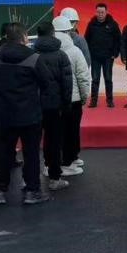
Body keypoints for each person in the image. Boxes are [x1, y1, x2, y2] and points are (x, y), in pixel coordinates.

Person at [0, 22, 49, 206]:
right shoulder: (34, 58)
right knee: (31, 153)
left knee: (4, 151)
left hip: (5, 113)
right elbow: (46, 83)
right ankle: (32, 191)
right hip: (30, 114)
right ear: (24, 37)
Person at [29, 21, 73, 192]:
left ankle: (30, 180)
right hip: (54, 105)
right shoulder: (61, 55)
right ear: (53, 33)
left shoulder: (31, 54)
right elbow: (67, 83)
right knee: (54, 141)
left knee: (32, 142)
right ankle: (54, 177)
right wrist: (66, 104)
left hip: (34, 104)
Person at [53, 15, 90, 176]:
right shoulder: (75, 51)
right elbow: (83, 77)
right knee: (71, 132)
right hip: (72, 99)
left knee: (55, 133)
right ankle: (68, 162)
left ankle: (53, 163)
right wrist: (84, 97)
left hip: (52, 100)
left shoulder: (43, 51)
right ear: (69, 31)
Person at [84, 3, 122, 107]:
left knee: (108, 79)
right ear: (96, 12)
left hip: (108, 57)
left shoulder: (113, 24)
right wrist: (89, 53)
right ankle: (93, 101)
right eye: (98, 12)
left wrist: (115, 53)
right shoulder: (91, 24)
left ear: (106, 12)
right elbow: (86, 39)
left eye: (102, 12)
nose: (100, 14)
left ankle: (110, 101)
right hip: (95, 57)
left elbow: (118, 39)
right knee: (95, 79)